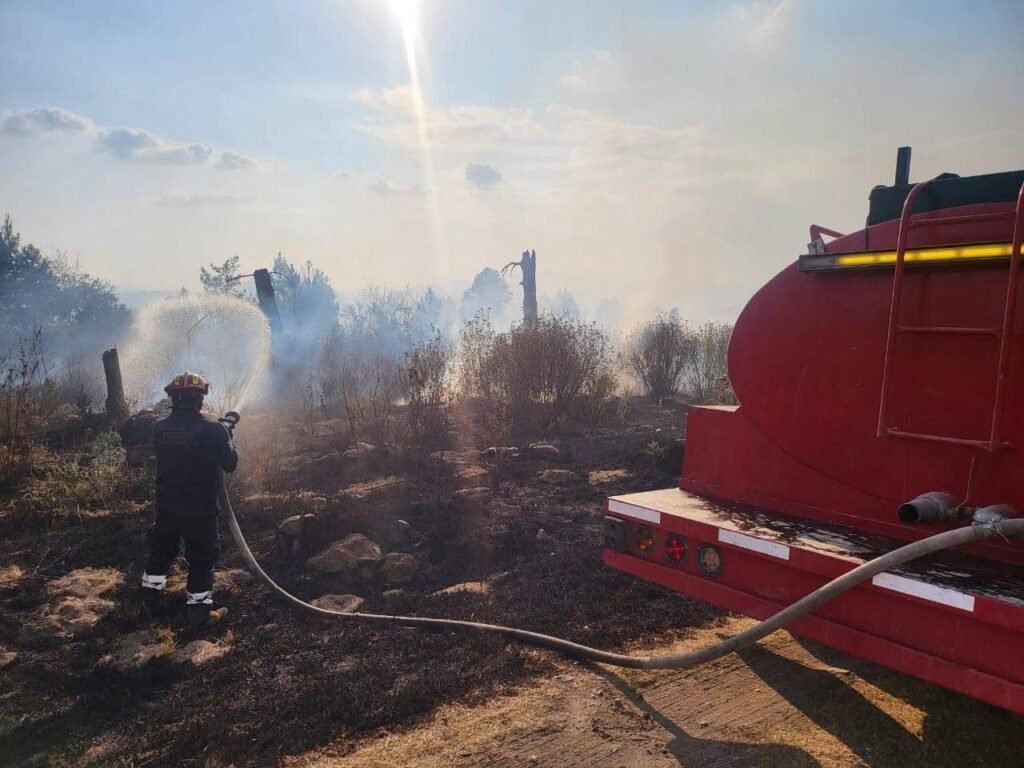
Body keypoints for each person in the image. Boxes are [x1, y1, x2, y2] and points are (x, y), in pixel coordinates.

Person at [140, 372, 238, 626]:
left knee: (160, 554)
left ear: (173, 397)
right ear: (200, 399)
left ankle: (149, 603)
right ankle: (198, 614)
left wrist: (219, 433)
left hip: (167, 507)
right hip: (201, 511)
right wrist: (225, 435)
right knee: (202, 560)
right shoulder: (214, 430)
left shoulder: (160, 427)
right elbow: (230, 464)